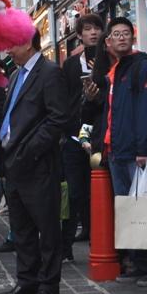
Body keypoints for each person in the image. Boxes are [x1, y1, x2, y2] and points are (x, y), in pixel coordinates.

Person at [0, 29, 67, 294]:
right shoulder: (16, 75)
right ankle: (26, 280)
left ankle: (48, 286)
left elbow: (57, 120)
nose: (7, 50)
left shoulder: (49, 73)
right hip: (13, 166)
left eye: (10, 44)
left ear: (26, 42)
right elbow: (7, 118)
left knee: (46, 228)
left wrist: (30, 151)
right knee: (22, 230)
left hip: (38, 165)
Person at [92, 17, 147, 287]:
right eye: (116, 34)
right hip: (117, 150)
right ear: (109, 41)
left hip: (137, 152)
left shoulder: (142, 67)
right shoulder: (118, 69)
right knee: (129, 210)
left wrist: (143, 148)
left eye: (126, 33)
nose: (122, 38)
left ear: (133, 36)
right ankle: (139, 264)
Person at [61, 13, 104, 253]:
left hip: (98, 134)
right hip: (74, 135)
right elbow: (63, 98)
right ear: (79, 35)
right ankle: (66, 244)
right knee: (74, 191)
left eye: (97, 28)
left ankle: (98, 235)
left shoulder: (108, 62)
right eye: (88, 29)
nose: (93, 33)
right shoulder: (70, 64)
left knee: (97, 188)